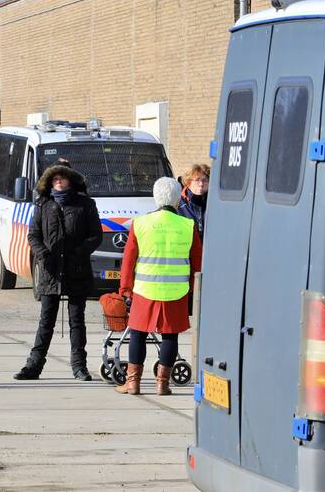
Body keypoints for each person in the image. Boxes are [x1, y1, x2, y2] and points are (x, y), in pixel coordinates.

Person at [13, 164, 102, 381]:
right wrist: (43, 254)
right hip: (50, 271)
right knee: (46, 320)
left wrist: (79, 252)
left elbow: (95, 235)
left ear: (70, 181)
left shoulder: (85, 204)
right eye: (55, 180)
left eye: (62, 179)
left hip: (76, 269)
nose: (59, 183)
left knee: (76, 320)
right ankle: (33, 366)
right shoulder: (43, 205)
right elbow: (33, 235)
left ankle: (79, 366)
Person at [116, 177, 202, 396]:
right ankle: (162, 384)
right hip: (176, 291)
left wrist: (125, 288)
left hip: (144, 290)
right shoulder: (187, 225)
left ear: (155, 197)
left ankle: (133, 383)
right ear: (176, 199)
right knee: (170, 336)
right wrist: (191, 288)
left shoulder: (140, 223)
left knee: (137, 334)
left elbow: (129, 260)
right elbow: (197, 263)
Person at [177, 163, 210, 239]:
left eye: (205, 180)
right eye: (197, 180)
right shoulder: (179, 204)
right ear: (188, 183)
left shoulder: (214, 203)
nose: (201, 184)